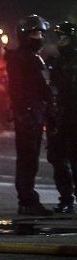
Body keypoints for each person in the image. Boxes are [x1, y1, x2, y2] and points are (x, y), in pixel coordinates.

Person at [5, 14, 54, 216]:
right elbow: (21, 89)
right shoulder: (21, 59)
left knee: (30, 160)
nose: (39, 37)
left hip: (35, 113)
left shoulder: (33, 58)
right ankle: (27, 200)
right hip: (28, 115)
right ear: (24, 36)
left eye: (41, 33)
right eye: (35, 34)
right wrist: (26, 113)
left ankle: (28, 199)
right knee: (27, 160)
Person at [47, 21, 77, 214]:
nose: (61, 41)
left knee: (74, 159)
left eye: (65, 38)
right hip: (60, 116)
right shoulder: (56, 62)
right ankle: (66, 198)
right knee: (57, 158)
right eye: (60, 38)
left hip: (74, 116)